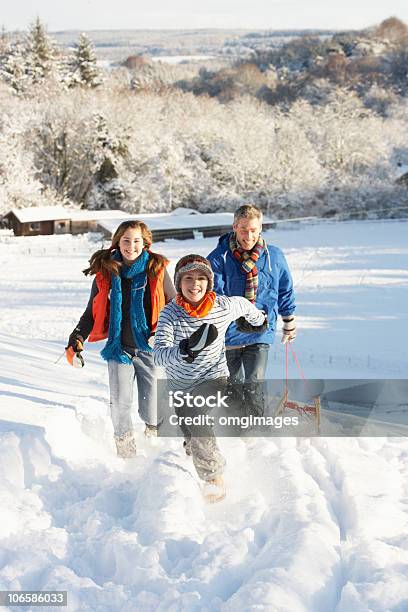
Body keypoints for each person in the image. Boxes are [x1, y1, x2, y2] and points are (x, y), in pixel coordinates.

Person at [153, 254, 267, 502]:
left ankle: (213, 477)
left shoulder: (223, 306)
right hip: (180, 384)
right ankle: (194, 447)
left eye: (201, 278)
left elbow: (246, 306)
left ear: (209, 282)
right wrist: (183, 349)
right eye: (189, 278)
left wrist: (259, 322)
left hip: (214, 376)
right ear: (179, 282)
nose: (195, 284)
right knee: (189, 427)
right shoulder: (170, 314)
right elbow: (159, 356)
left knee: (197, 418)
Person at [66, 220, 176, 458]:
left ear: (144, 243)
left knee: (152, 409)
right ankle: (126, 454)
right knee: (120, 405)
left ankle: (154, 440)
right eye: (126, 240)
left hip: (150, 349)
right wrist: (77, 336)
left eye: (136, 241)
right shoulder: (107, 272)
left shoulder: (156, 269)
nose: (131, 246)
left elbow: (174, 305)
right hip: (119, 349)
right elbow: (91, 313)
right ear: (117, 242)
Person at [207, 203, 296, 417]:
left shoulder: (274, 256)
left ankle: (256, 430)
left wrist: (289, 321)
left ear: (261, 228)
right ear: (235, 226)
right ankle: (235, 429)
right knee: (233, 387)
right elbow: (213, 298)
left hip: (260, 331)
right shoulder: (219, 258)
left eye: (254, 230)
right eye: (244, 229)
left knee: (254, 383)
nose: (249, 235)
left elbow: (285, 288)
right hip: (229, 335)